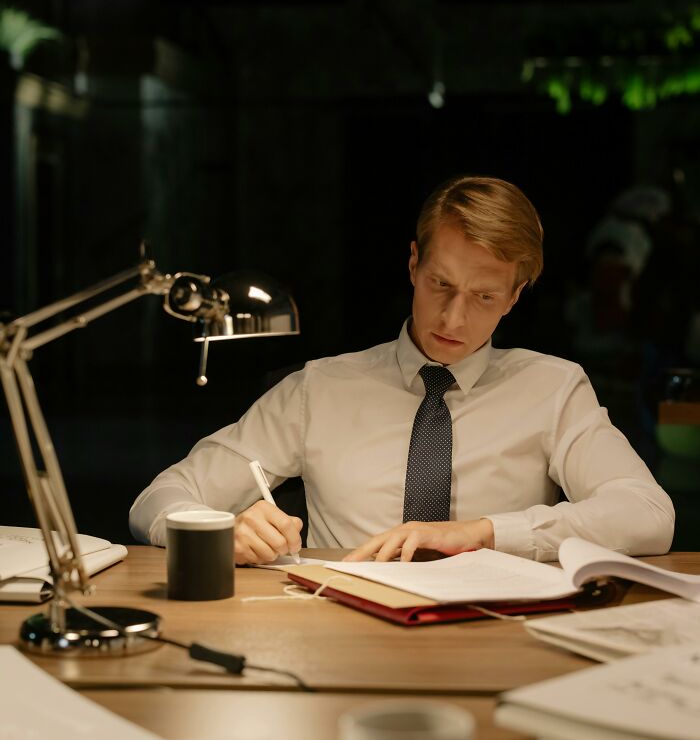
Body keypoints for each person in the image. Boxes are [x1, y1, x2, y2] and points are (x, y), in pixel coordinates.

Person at [129, 176, 674, 565]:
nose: (453, 318)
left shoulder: (552, 388)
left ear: (515, 296)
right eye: (441, 284)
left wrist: (484, 534)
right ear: (413, 264)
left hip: (494, 633)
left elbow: (649, 514)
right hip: (340, 628)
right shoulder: (320, 389)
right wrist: (217, 532)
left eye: (484, 296)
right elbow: (158, 499)